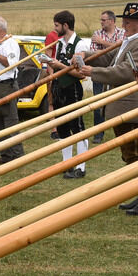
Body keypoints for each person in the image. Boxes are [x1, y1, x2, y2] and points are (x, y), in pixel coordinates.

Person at [81, 3, 138, 212]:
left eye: (128, 21)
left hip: (133, 105)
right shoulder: (130, 41)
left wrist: (92, 72)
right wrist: (86, 55)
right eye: (124, 21)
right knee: (130, 154)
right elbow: (111, 60)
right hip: (124, 106)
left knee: (134, 154)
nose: (124, 24)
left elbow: (125, 72)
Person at [46, 11, 91, 179]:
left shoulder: (80, 45)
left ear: (65, 25)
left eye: (57, 25)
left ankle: (81, 166)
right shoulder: (59, 44)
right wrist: (51, 64)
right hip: (59, 88)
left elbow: (82, 74)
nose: (54, 28)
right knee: (62, 127)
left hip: (72, 89)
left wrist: (59, 65)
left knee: (77, 127)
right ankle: (67, 164)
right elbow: (57, 65)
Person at [0, 16, 24, 165]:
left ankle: (17, 155)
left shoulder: (11, 44)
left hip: (7, 85)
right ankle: (5, 154)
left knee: (11, 122)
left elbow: (11, 64)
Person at [86, 10, 126, 143]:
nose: (101, 22)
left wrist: (102, 43)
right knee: (98, 104)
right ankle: (98, 134)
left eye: (103, 20)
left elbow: (122, 49)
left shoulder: (122, 33)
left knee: (119, 103)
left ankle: (120, 133)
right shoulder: (96, 33)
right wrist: (111, 47)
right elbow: (93, 53)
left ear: (111, 21)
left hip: (116, 73)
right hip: (99, 72)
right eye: (101, 20)